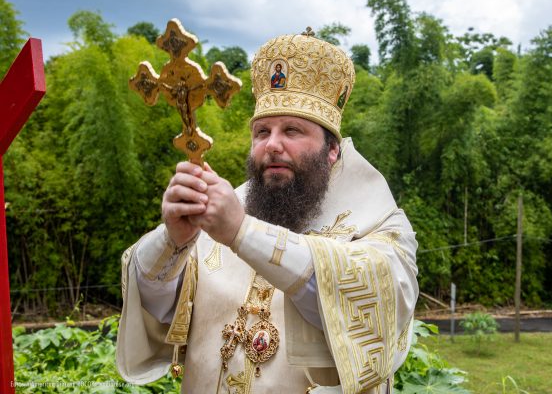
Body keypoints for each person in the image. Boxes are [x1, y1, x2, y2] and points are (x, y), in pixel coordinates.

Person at [117, 28, 419, 394]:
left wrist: (241, 234)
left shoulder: (380, 223)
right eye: (262, 132)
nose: (272, 145)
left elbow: (371, 311)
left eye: (292, 130)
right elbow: (157, 307)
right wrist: (174, 241)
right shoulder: (224, 211)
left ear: (332, 151)